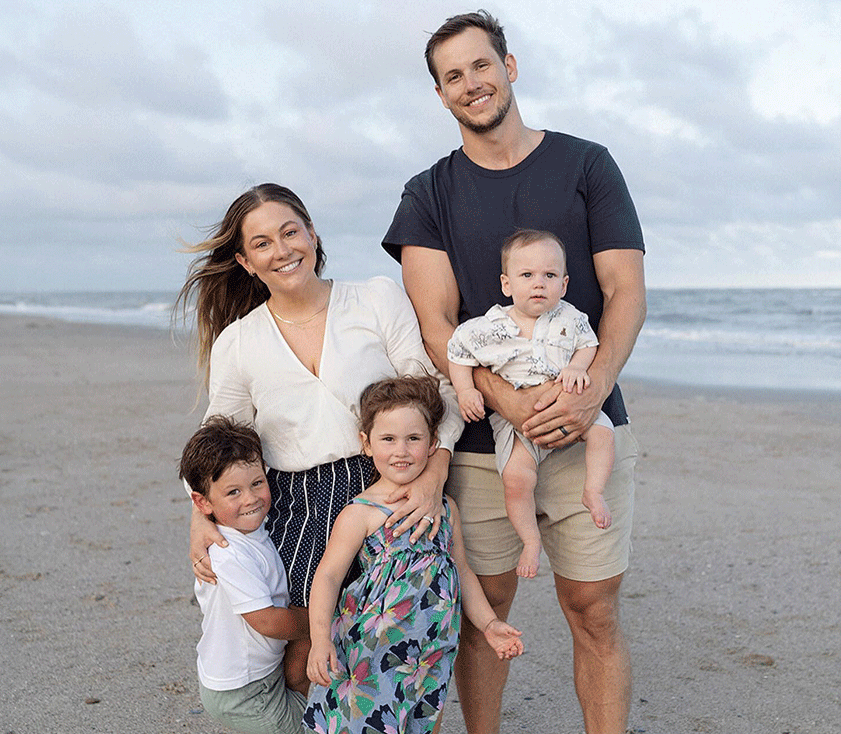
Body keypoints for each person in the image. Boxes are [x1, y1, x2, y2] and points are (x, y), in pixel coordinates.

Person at [381, 10, 646, 734]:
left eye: (481, 65)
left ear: (511, 66)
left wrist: (588, 399)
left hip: (586, 417)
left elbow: (625, 291)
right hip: (480, 441)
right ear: (440, 95)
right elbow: (435, 322)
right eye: (453, 76)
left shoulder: (587, 165)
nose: (472, 83)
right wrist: (504, 397)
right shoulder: (427, 193)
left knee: (593, 608)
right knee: (486, 607)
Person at [176, 183, 464, 692]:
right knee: (306, 654)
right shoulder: (239, 342)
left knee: (403, 644)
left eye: (291, 232)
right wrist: (199, 518)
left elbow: (435, 393)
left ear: (312, 234)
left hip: (387, 486)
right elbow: (213, 445)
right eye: (262, 243)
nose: (282, 249)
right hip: (296, 504)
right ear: (245, 262)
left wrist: (433, 476)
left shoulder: (375, 297)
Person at [303, 375, 523, 733]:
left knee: (418, 724)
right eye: (388, 439)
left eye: (414, 439)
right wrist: (320, 640)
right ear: (367, 443)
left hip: (427, 650)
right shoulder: (362, 512)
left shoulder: (445, 508)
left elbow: (462, 572)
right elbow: (327, 576)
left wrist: (489, 623)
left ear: (434, 443)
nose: (401, 450)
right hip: (368, 652)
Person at [447, 229, 615, 579]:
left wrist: (576, 367)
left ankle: (593, 491)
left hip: (569, 408)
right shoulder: (488, 327)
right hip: (515, 423)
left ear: (564, 284)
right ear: (507, 284)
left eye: (549, 276)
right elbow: (458, 352)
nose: (539, 284)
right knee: (515, 479)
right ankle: (530, 540)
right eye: (527, 276)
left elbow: (589, 344)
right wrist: (466, 391)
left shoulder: (570, 318)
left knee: (603, 432)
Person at [180, 417, 308, 734]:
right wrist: (320, 622)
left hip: (256, 674)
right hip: (243, 689)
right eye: (233, 492)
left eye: (257, 483)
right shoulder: (227, 553)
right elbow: (268, 621)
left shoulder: (254, 530)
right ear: (202, 503)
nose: (250, 499)